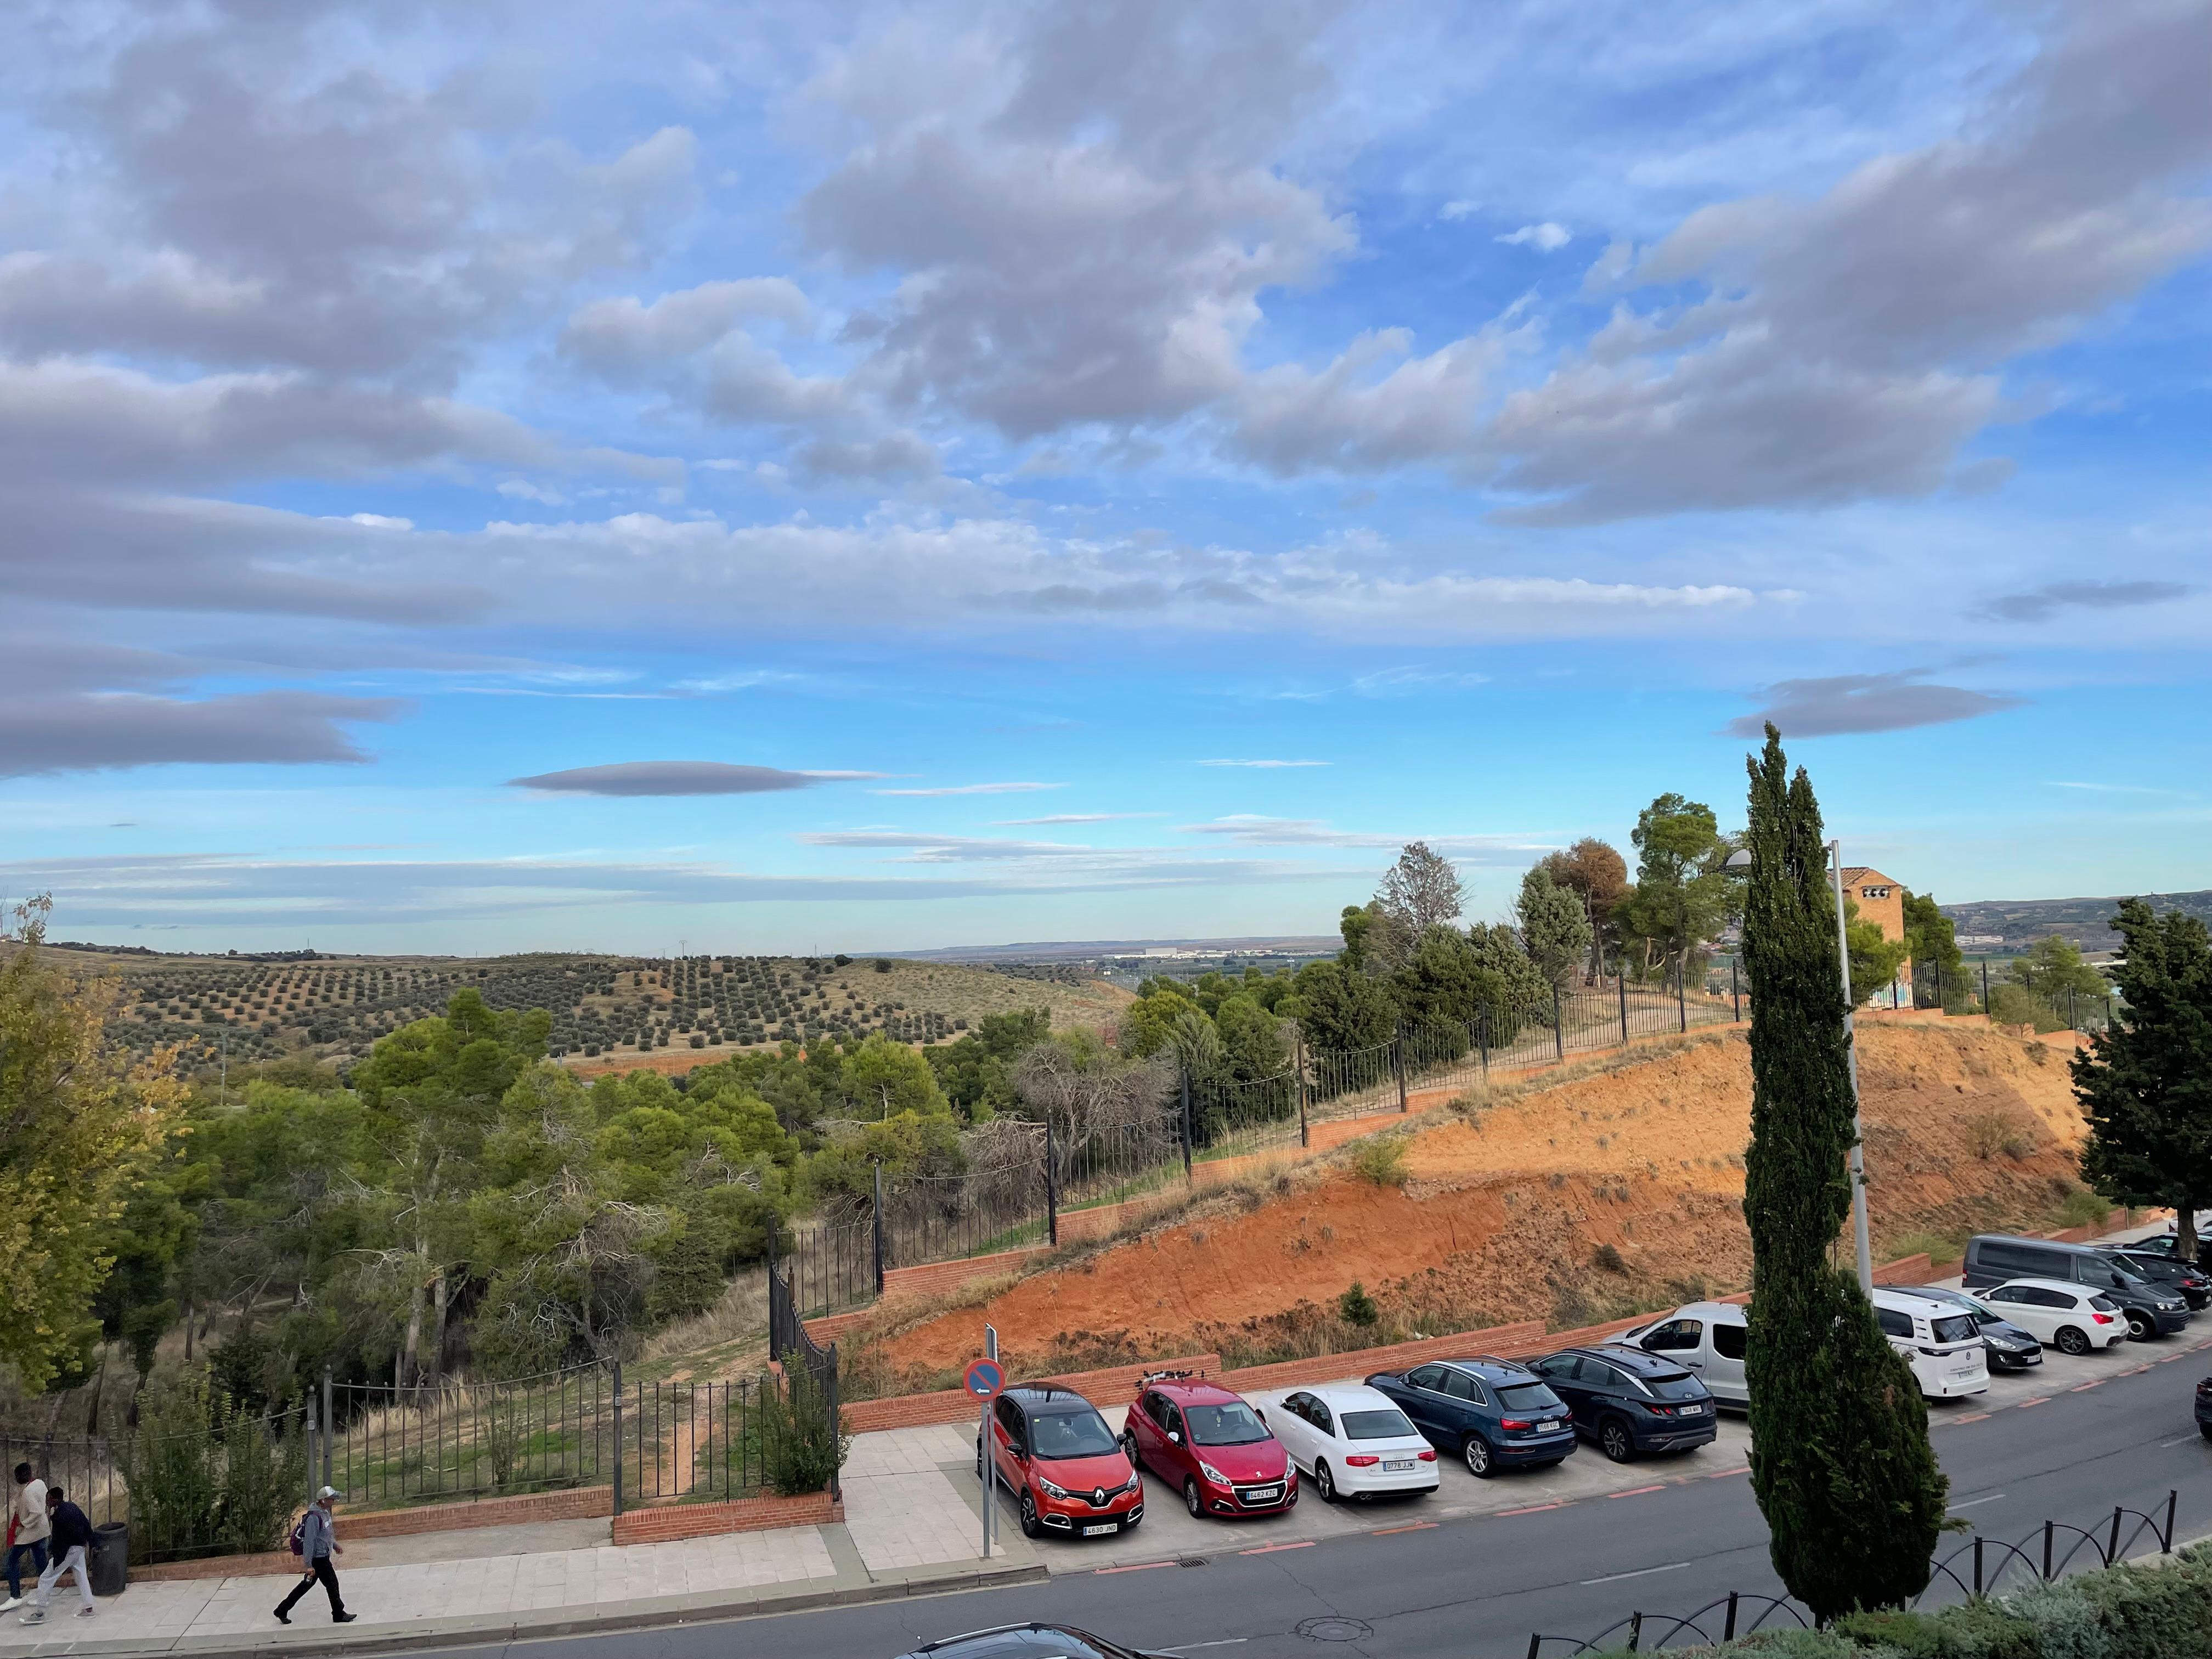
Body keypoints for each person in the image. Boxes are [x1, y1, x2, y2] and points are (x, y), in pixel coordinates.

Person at [273, 1487, 353, 1626]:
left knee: (306, 1585)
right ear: (322, 1500)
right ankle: (339, 1614)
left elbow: (326, 1534)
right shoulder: (313, 1518)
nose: (334, 1501)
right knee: (332, 1584)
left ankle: (282, 1610)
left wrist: (335, 1545)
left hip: (323, 1555)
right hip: (319, 1558)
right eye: (331, 1499)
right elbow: (309, 1542)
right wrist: (308, 1565)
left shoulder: (324, 1513)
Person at [19, 1485, 92, 1623]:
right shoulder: (72, 1507)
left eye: (48, 1499)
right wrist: (89, 1541)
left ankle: (39, 1613)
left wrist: (56, 1557)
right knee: (81, 1575)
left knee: (46, 1578)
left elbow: (60, 1539)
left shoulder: (59, 1516)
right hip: (79, 1547)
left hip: (67, 1551)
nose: (46, 1502)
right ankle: (89, 1609)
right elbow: (86, 1523)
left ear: (53, 1499)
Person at [2, 1464, 48, 1612]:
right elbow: (45, 1505)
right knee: (41, 1563)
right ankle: (44, 1596)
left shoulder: (27, 1492)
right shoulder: (40, 1483)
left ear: (22, 1476)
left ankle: (15, 1597)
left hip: (31, 1532)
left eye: (17, 1476)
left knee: (11, 1560)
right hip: (42, 1530)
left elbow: (37, 1512)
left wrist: (23, 1523)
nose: (16, 1479)